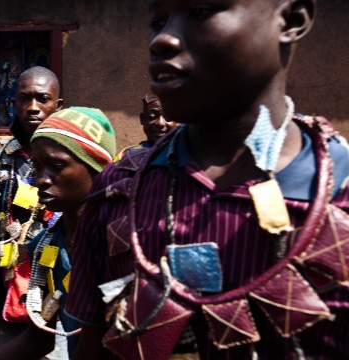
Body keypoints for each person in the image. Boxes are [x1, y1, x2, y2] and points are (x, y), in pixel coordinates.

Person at [66, 1, 349, 359]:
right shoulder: (118, 193)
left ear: (291, 19)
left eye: (201, 10)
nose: (163, 39)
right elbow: (93, 349)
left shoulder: (338, 194)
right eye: (158, 20)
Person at [0, 107, 116, 360]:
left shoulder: (122, 244)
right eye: (38, 166)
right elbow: (40, 337)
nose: (42, 179)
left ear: (98, 168)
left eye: (56, 165)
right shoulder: (46, 245)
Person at [0, 66, 63, 347]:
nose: (33, 107)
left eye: (42, 99)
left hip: (61, 285)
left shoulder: (73, 162)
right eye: (25, 99)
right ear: (14, 104)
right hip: (9, 287)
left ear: (58, 105)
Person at [114, 94, 177, 160]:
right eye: (152, 116)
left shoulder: (185, 155)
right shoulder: (125, 157)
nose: (160, 123)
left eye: (168, 117)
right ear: (142, 119)